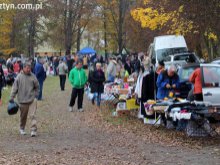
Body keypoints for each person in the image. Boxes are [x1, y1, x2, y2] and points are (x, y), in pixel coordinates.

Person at [9, 61, 39, 137]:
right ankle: (22, 128)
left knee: (33, 115)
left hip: (32, 99)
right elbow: (14, 88)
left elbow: (37, 86)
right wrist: (11, 97)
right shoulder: (19, 77)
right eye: (27, 68)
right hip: (22, 100)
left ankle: (33, 130)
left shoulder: (33, 76)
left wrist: (36, 95)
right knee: (23, 116)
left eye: (30, 68)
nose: (29, 69)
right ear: (24, 68)